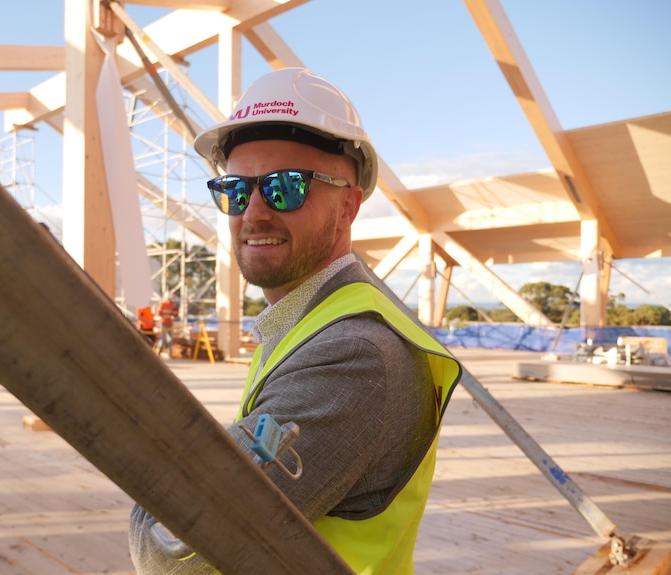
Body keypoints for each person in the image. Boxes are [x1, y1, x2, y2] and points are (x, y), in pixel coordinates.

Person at [128, 68, 462, 574]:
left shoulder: (355, 353)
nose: (254, 212)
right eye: (235, 191)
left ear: (349, 204)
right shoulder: (305, 326)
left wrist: (152, 493)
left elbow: (172, 561)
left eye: (285, 188)